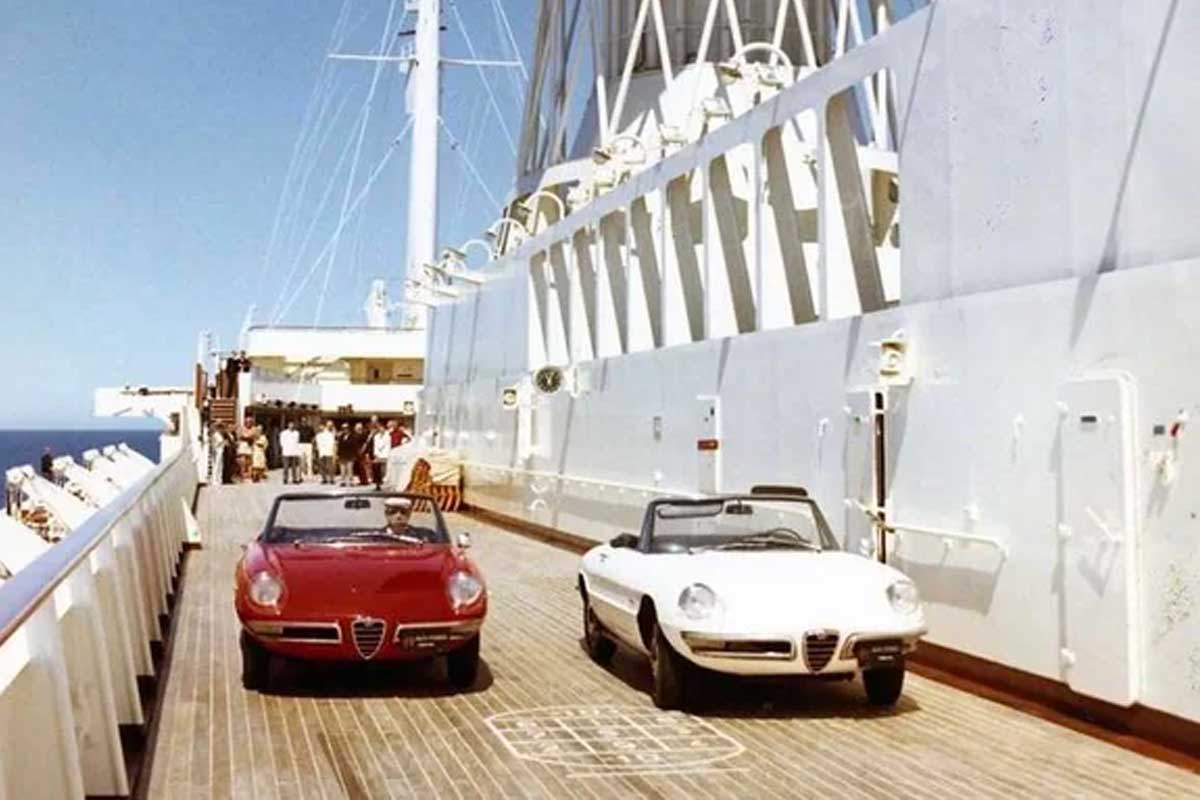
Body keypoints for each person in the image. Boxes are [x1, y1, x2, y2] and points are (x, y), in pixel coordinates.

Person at [370, 423, 391, 490]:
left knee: (383, 471)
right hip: (378, 455)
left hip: (385, 454)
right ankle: (377, 484)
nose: (381, 429)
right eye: (379, 428)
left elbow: (388, 446)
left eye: (382, 428)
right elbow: (375, 446)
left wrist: (387, 455)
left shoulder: (388, 436)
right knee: (376, 469)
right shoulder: (376, 437)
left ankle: (381, 481)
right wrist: (376, 454)